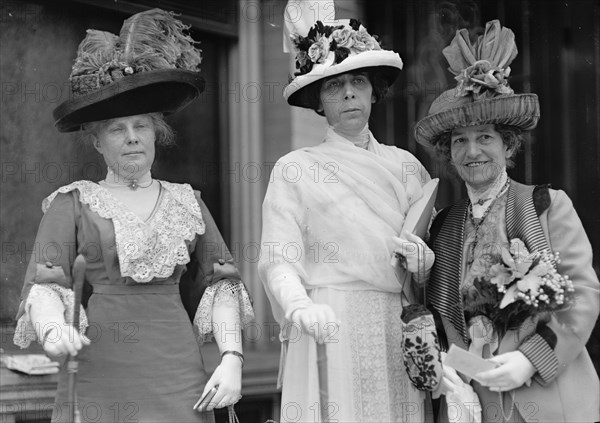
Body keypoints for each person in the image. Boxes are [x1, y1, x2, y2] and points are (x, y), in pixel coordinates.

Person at [13, 9, 254, 423]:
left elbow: (223, 283)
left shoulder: (187, 202)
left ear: (156, 133)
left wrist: (232, 357)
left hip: (177, 370)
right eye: (116, 129)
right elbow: (45, 285)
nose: (131, 138)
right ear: (96, 143)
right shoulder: (72, 203)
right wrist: (53, 330)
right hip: (101, 368)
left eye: (141, 126)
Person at [414, 19, 600, 423]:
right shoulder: (443, 226)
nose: (472, 151)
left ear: (507, 144)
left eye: (484, 137)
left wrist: (531, 360)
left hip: (549, 398)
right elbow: (440, 320)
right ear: (449, 153)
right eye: (460, 140)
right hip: (474, 403)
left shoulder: (547, 205)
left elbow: (582, 295)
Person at [259, 14, 434, 423]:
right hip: (329, 321)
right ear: (319, 102)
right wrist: (299, 306)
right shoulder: (295, 168)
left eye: (359, 83)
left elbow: (428, 249)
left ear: (375, 92)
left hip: (398, 324)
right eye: (335, 86)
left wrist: (424, 267)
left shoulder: (407, 166)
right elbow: (278, 256)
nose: (349, 95)